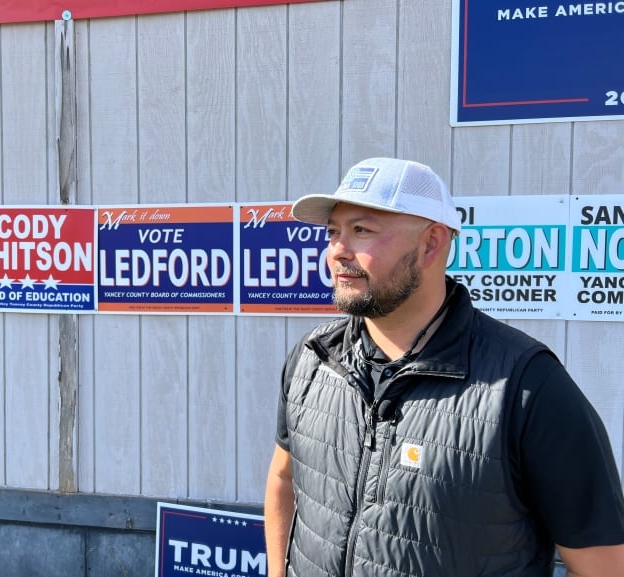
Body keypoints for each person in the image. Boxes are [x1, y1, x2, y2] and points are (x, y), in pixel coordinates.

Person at [264, 157, 624, 577]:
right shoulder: (313, 358)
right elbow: (284, 479)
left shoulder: (527, 388)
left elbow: (604, 566)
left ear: (431, 243)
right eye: (333, 232)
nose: (337, 251)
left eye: (362, 230)